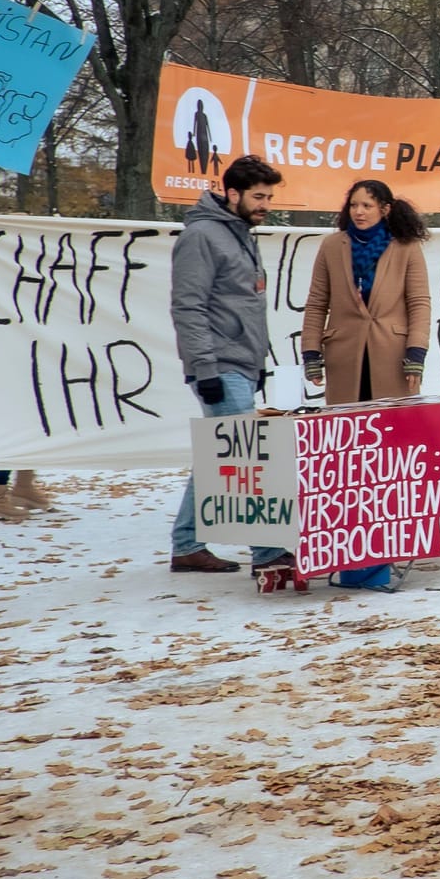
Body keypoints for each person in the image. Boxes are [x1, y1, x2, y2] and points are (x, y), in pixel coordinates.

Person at [168, 156, 296, 583]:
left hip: (240, 363)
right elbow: (188, 306)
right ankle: (270, 551)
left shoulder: (239, 234)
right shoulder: (202, 236)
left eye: (270, 197)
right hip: (218, 364)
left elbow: (244, 302)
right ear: (233, 194)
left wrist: (257, 364)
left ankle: (187, 545)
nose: (266, 205)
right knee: (248, 458)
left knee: (220, 455)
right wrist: (205, 368)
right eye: (259, 197)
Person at [300, 179, 431, 591]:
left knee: (390, 460)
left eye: (368, 206)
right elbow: (316, 301)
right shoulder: (331, 247)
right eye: (354, 204)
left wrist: (416, 353)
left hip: (392, 361)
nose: (359, 212)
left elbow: (419, 304)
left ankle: (388, 549)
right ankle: (351, 555)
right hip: (344, 360)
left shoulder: (406, 247)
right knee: (348, 460)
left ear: (386, 209)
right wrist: (311, 352)